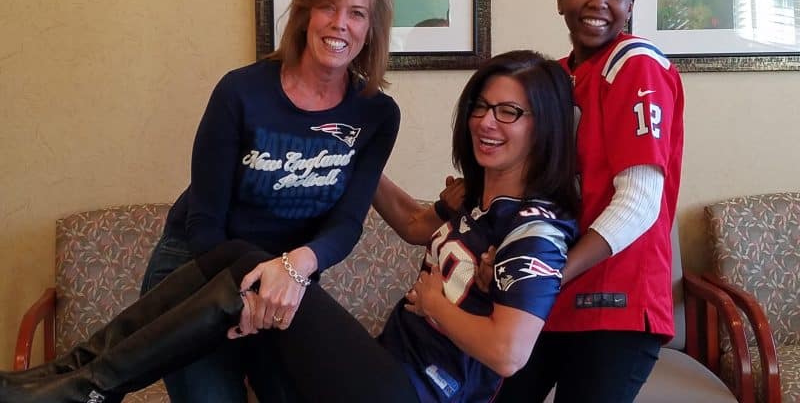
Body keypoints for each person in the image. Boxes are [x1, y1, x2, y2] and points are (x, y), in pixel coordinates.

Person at [0, 50, 580, 403]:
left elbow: (509, 354)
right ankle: (77, 377)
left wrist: (436, 304)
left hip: (414, 392)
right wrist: (340, 149)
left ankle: (83, 384)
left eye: (509, 112)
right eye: (480, 106)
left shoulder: (536, 230)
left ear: (545, 125)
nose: (486, 122)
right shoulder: (472, 202)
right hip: (380, 366)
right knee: (243, 262)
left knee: (253, 264)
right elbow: (410, 221)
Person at [75, 0, 403, 402]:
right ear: (305, 14)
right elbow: (204, 223)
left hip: (286, 277)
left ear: (371, 29)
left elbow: (346, 223)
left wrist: (293, 270)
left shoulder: (377, 115)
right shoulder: (241, 91)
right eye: (328, 7)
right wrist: (246, 292)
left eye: (357, 13)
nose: (340, 23)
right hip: (199, 268)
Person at [488, 0, 685, 402]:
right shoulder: (554, 77)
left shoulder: (636, 65)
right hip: (550, 297)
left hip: (613, 300)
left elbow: (640, 201)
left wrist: (551, 275)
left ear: (631, 4)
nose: (598, 2)